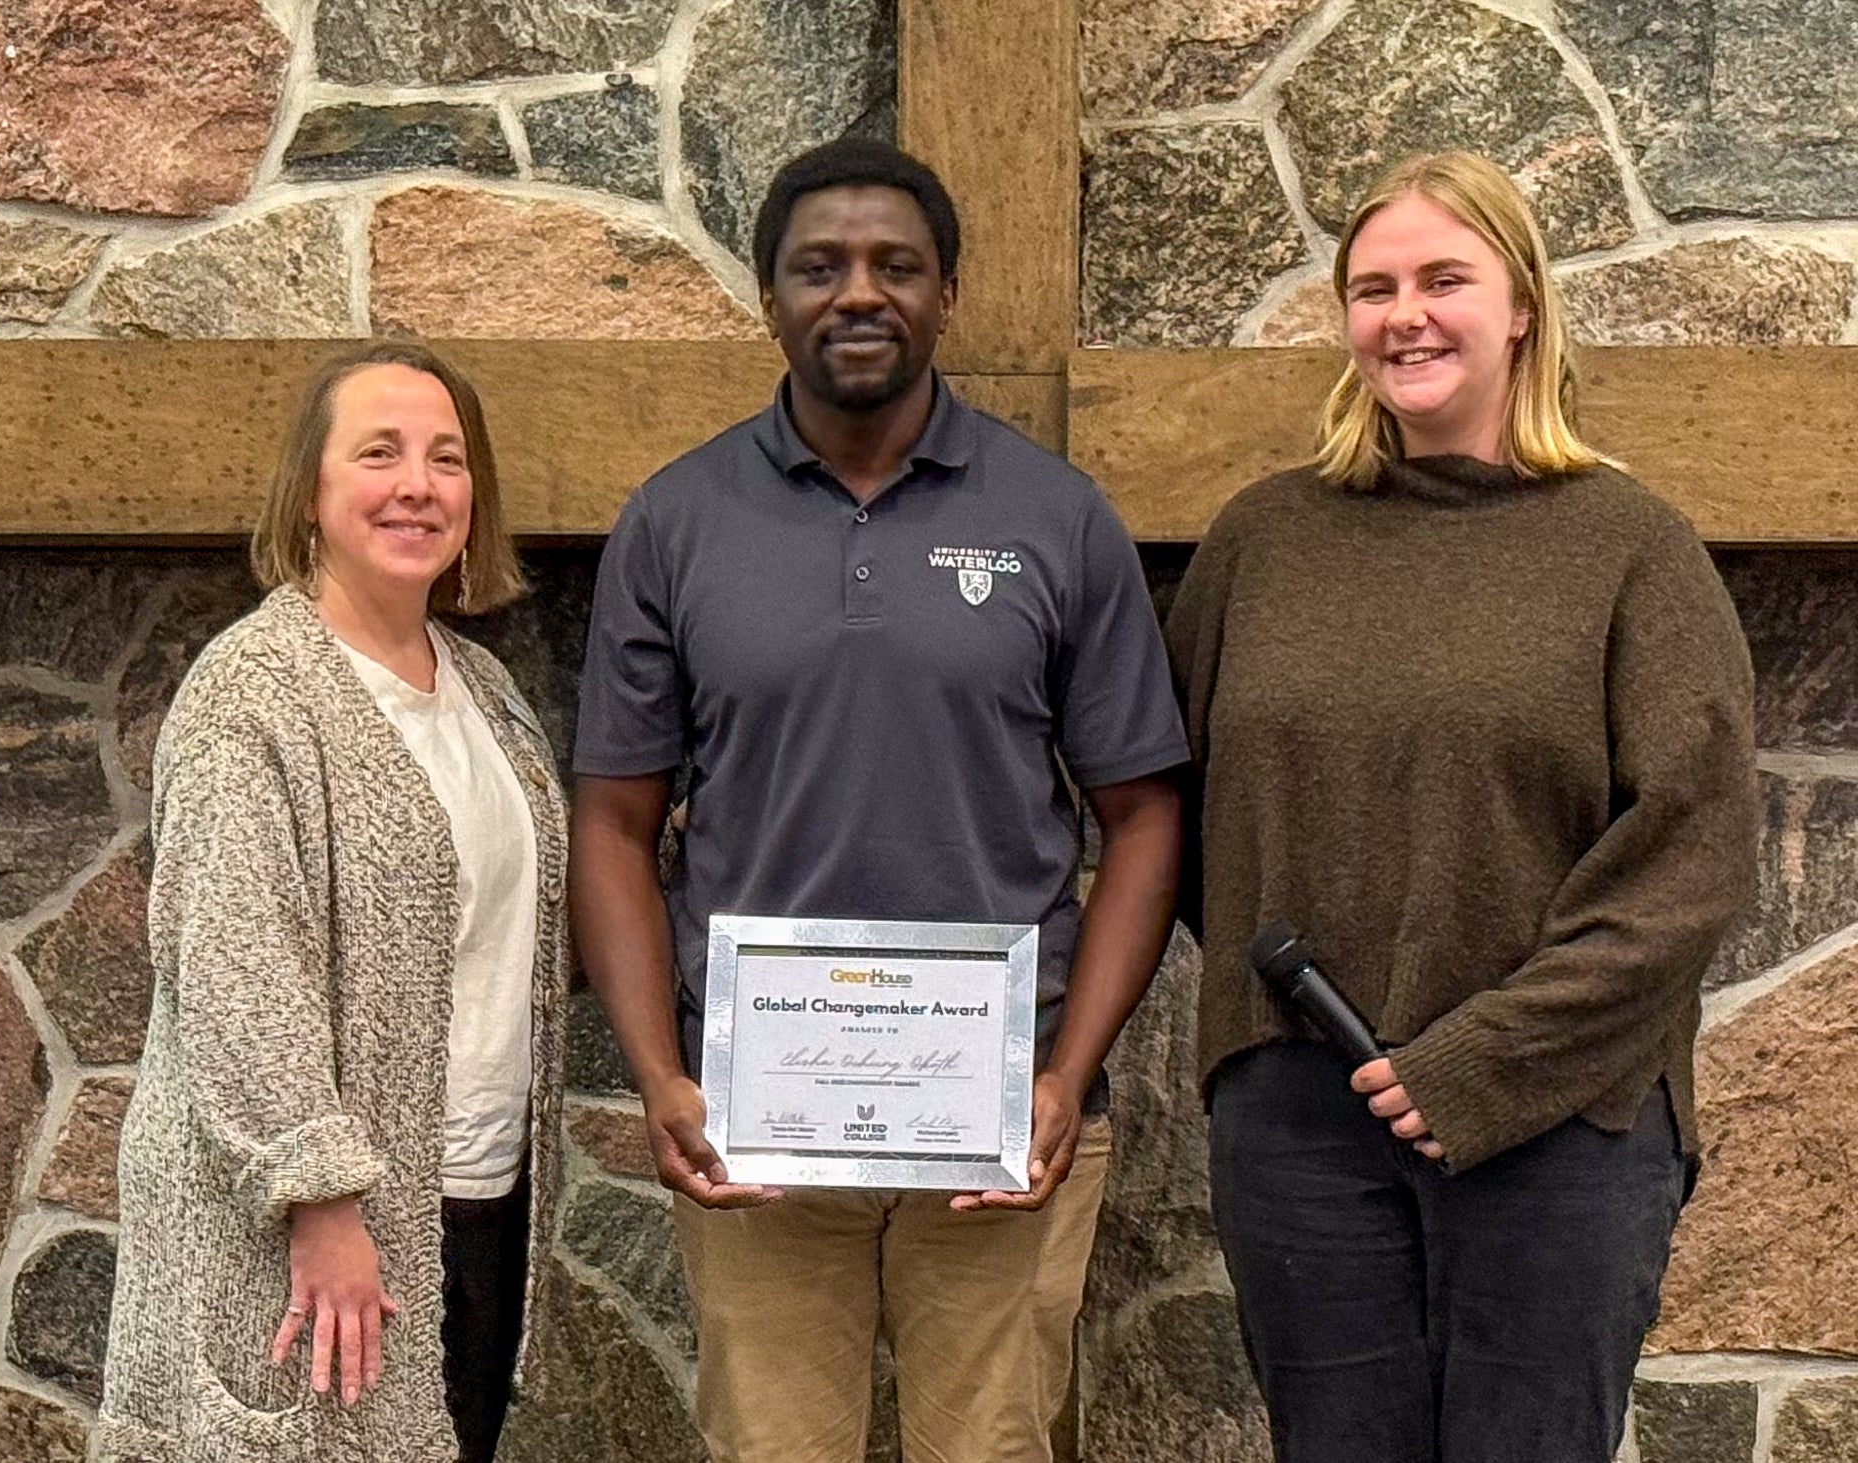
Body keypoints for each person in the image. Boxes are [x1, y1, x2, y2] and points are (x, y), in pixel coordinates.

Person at [570, 137, 1187, 1463]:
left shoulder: (1056, 516)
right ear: (771, 296)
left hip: (1003, 1123)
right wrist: (661, 1074)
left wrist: (1066, 1076)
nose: (860, 292)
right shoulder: (676, 522)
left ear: (947, 293)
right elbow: (614, 823)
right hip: (759, 1133)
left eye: (896, 265)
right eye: (822, 266)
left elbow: (1145, 815)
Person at [1164, 151, 1759, 1463]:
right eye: (1373, 287)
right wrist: (1270, 1039)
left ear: (1521, 306)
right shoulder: (1260, 543)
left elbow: (1693, 855)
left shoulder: (1629, 547)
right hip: (1305, 1125)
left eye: (1445, 277)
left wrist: (1481, 1060)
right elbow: (1183, 811)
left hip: (1562, 1121)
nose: (1406, 314)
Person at [95, 342, 569, 1463]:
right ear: (309, 490)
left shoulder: (484, 689)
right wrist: (318, 1198)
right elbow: (234, 968)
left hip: (473, 1192)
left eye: (446, 459)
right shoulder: (254, 692)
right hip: (314, 1227)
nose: (417, 484)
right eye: (379, 453)